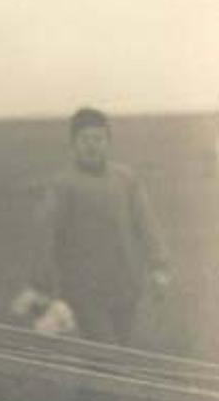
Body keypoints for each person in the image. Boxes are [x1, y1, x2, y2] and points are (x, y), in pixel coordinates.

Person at [22, 107, 172, 347]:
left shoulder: (126, 179)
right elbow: (45, 237)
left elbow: (146, 224)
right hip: (83, 291)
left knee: (118, 351)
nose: (92, 146)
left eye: (98, 139)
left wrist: (158, 267)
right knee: (105, 351)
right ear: (73, 144)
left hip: (126, 285)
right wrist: (41, 285)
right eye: (85, 139)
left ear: (108, 142)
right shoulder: (62, 186)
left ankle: (98, 373)